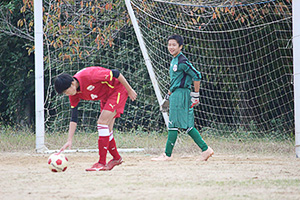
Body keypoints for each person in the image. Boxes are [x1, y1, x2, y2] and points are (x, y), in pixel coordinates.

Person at [54, 66, 137, 171]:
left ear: (72, 84)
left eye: (66, 91)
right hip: (106, 97)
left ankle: (101, 163)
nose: (67, 94)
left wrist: (130, 90)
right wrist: (69, 140)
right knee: (107, 129)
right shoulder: (74, 93)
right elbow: (74, 117)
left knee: (102, 122)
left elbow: (116, 73)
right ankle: (116, 158)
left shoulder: (89, 75)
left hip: (117, 90)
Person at [151, 35, 214, 161]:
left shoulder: (182, 61)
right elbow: (175, 81)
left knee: (173, 124)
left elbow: (197, 75)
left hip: (182, 94)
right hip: (176, 94)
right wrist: (168, 96)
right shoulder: (174, 60)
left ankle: (167, 155)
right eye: (169, 44)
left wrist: (195, 95)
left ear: (180, 46)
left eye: (174, 45)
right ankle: (206, 150)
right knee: (187, 125)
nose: (171, 47)